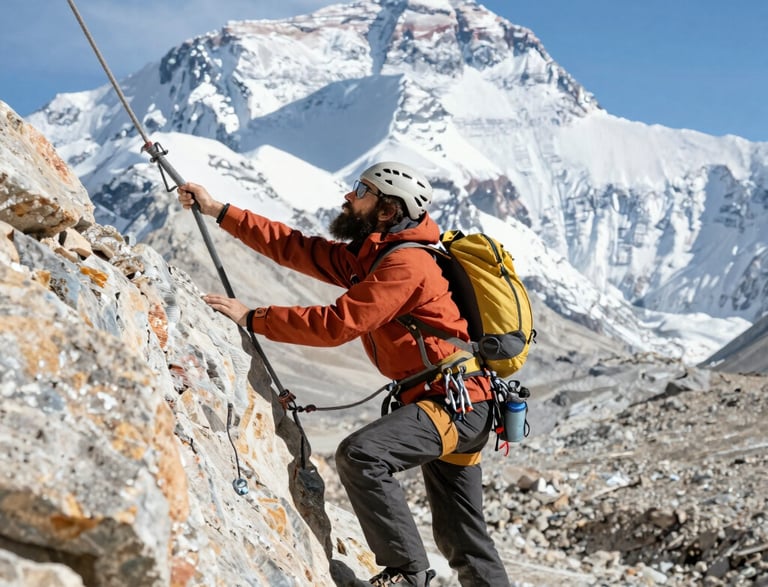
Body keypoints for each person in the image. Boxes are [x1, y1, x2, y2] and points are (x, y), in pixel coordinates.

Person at [177, 162, 510, 587]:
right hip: (459, 400)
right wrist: (220, 210)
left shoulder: (405, 265)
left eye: (361, 190)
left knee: (362, 455)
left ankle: (408, 576)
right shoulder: (376, 255)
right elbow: (296, 248)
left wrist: (254, 317)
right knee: (464, 537)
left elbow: (338, 323)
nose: (348, 198)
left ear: (387, 210)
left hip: (456, 404)